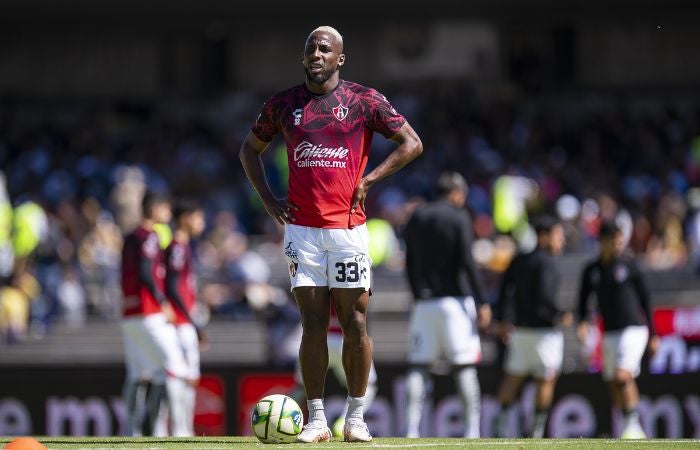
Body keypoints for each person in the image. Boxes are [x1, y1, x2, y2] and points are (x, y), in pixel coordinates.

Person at [239, 25, 422, 443]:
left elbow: (411, 143)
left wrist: (371, 178)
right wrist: (268, 199)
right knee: (312, 324)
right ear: (303, 58)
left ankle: (356, 418)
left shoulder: (363, 101)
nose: (317, 53)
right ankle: (318, 420)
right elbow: (249, 149)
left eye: (326, 48)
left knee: (354, 321)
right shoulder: (283, 104)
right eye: (311, 48)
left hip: (347, 230)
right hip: (301, 232)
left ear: (341, 58)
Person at [402, 171, 491, 439]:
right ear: (455, 193)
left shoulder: (417, 216)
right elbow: (467, 261)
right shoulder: (459, 217)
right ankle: (472, 430)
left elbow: (409, 263)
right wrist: (483, 300)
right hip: (456, 304)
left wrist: (418, 295)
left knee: (419, 366)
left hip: (425, 303)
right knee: (463, 366)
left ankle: (410, 430)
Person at [577, 220, 659, 439]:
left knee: (623, 376)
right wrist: (583, 322)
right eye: (614, 239)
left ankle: (634, 428)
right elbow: (583, 301)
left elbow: (646, 300)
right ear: (603, 241)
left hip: (632, 329)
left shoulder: (629, 266)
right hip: (610, 332)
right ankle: (626, 424)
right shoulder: (592, 270)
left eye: (620, 239)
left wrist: (654, 334)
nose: (618, 243)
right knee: (613, 379)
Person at [120, 192, 189, 436]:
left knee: (137, 374)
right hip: (150, 313)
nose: (168, 215)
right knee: (175, 369)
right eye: (166, 210)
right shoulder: (149, 236)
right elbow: (146, 272)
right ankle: (177, 431)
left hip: (129, 314)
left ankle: (132, 431)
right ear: (156, 209)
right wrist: (163, 303)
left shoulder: (129, 237)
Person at [494, 216, 570, 438]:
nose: (561, 241)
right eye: (557, 235)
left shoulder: (520, 260)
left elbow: (504, 291)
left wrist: (503, 319)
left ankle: (500, 424)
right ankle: (537, 431)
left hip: (520, 331)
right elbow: (545, 297)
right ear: (544, 237)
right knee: (545, 380)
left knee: (513, 377)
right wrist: (559, 314)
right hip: (545, 333)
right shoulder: (547, 262)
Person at [289, 304, 379, 438]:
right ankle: (346, 420)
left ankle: (282, 416)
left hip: (313, 341)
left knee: (301, 387)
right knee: (369, 385)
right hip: (343, 340)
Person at [164, 199, 207, 436]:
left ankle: (183, 429)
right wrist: (192, 320)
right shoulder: (177, 248)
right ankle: (180, 430)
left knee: (188, 377)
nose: (201, 223)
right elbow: (171, 287)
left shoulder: (184, 247)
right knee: (183, 375)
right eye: (198, 217)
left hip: (184, 319)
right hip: (180, 322)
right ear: (185, 219)